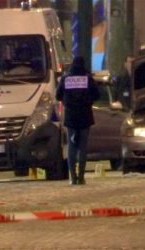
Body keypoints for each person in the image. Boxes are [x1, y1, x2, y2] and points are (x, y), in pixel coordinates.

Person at [56, 56, 100, 185]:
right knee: (82, 147)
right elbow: (97, 95)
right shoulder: (88, 78)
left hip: (71, 116)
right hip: (85, 115)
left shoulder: (66, 78)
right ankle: (81, 176)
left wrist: (67, 100)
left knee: (71, 146)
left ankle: (72, 177)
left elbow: (58, 95)